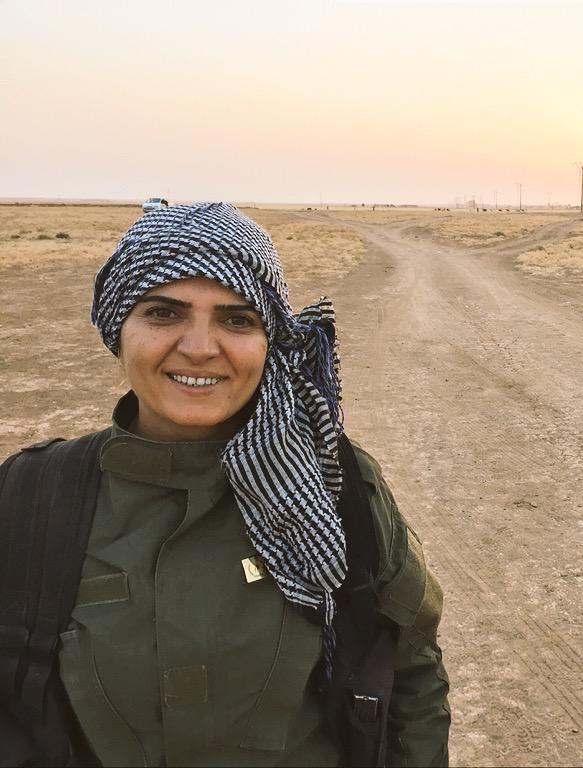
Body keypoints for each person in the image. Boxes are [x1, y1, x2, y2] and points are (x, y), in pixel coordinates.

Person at [0, 203, 450, 766]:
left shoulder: (335, 482)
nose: (200, 347)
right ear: (119, 328)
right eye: (164, 313)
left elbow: (411, 669)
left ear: (268, 340)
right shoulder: (31, 495)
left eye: (237, 319)